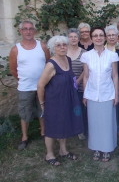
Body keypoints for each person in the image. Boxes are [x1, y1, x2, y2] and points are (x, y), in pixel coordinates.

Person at [37, 35, 83, 166]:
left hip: (67, 99)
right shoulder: (51, 64)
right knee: (51, 127)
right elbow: (40, 85)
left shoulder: (68, 59)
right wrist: (42, 103)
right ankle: (49, 154)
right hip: (54, 101)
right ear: (52, 48)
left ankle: (63, 151)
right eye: (58, 45)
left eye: (64, 44)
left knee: (64, 124)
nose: (62, 47)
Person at [9, 20, 50, 150]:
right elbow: (13, 69)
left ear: (34, 31)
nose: (28, 31)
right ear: (20, 31)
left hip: (42, 87)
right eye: (25, 29)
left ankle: (43, 132)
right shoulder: (16, 49)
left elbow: (48, 64)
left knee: (42, 111)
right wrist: (24, 79)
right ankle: (25, 137)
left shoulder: (42, 46)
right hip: (25, 88)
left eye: (30, 29)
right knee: (24, 113)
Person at [81, 27, 119, 162]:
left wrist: (117, 94)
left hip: (107, 94)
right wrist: (85, 94)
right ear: (91, 38)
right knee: (94, 123)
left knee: (107, 123)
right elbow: (85, 76)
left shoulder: (112, 55)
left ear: (105, 37)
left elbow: (115, 76)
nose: (98, 38)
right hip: (91, 95)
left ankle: (107, 149)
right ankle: (96, 148)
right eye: (95, 35)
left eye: (101, 35)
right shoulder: (86, 56)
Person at [105, 25, 119, 137]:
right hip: (104, 83)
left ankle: (118, 127)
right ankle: (107, 127)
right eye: (109, 35)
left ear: (117, 36)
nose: (111, 37)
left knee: (118, 105)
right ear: (106, 37)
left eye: (114, 35)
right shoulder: (101, 49)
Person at [67, 28, 87, 140]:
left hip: (79, 86)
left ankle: (80, 130)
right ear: (68, 38)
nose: (73, 39)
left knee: (78, 108)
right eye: (71, 37)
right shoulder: (63, 51)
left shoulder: (84, 52)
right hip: (66, 86)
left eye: (75, 37)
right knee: (67, 108)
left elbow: (86, 70)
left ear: (79, 38)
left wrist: (78, 81)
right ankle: (70, 129)